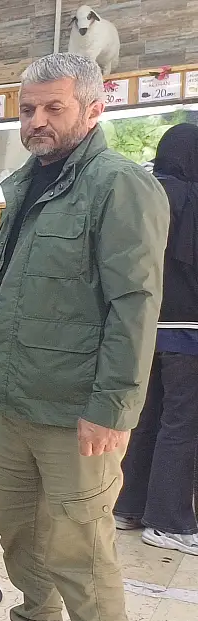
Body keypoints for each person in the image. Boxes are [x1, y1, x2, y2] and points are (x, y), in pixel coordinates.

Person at [0, 53, 168, 621]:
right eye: (27, 109)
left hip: (79, 408)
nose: (36, 121)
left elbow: (134, 306)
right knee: (21, 531)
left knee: (79, 543)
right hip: (20, 398)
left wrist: (113, 407)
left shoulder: (119, 185)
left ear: (94, 109)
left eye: (54, 107)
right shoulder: (27, 183)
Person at [114, 123, 198, 555]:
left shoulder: (143, 192)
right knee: (182, 423)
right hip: (189, 328)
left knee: (146, 417)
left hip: (142, 326)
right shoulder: (192, 197)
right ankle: (168, 521)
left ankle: (128, 506)